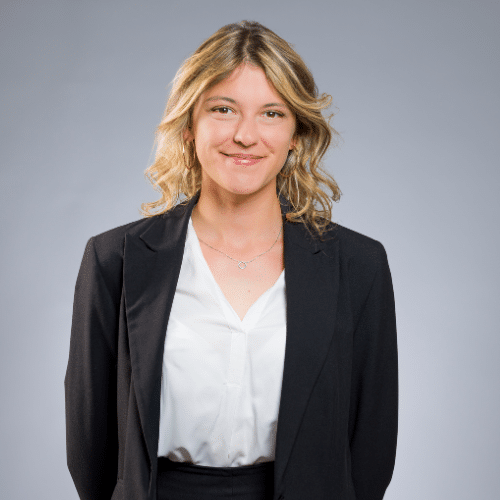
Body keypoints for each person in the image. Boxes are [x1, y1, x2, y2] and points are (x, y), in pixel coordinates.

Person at [65, 20, 398, 500]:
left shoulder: (359, 266)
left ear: (296, 134)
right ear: (189, 126)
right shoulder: (113, 259)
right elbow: (90, 447)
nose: (245, 135)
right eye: (223, 109)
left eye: (272, 113)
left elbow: (371, 448)